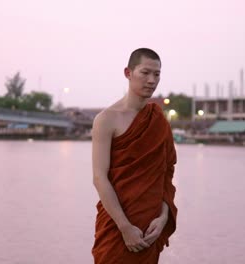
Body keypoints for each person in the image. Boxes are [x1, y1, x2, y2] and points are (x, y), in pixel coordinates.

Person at [91, 48, 177, 263]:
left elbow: (166, 173)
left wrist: (163, 217)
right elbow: (99, 177)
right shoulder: (106, 119)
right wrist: (125, 227)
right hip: (116, 225)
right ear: (128, 73)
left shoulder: (158, 119)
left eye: (157, 74)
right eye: (145, 73)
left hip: (149, 228)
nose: (151, 80)